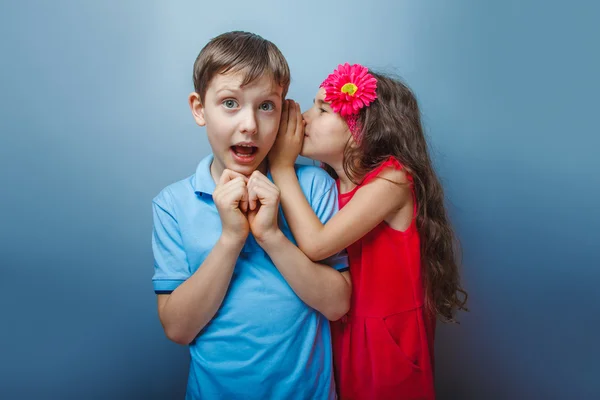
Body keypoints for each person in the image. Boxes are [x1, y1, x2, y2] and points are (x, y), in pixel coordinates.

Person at [151, 32, 351, 399]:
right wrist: (230, 239)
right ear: (199, 108)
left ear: (283, 109)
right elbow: (178, 329)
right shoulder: (172, 204)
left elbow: (338, 305)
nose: (249, 125)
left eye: (265, 106)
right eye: (230, 103)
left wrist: (272, 237)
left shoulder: (314, 188)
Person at [269, 63, 468, 399]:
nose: (304, 117)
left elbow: (316, 246)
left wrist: (281, 167)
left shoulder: (392, 179)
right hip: (341, 332)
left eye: (322, 109)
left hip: (386, 341)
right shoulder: (325, 187)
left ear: (361, 129)